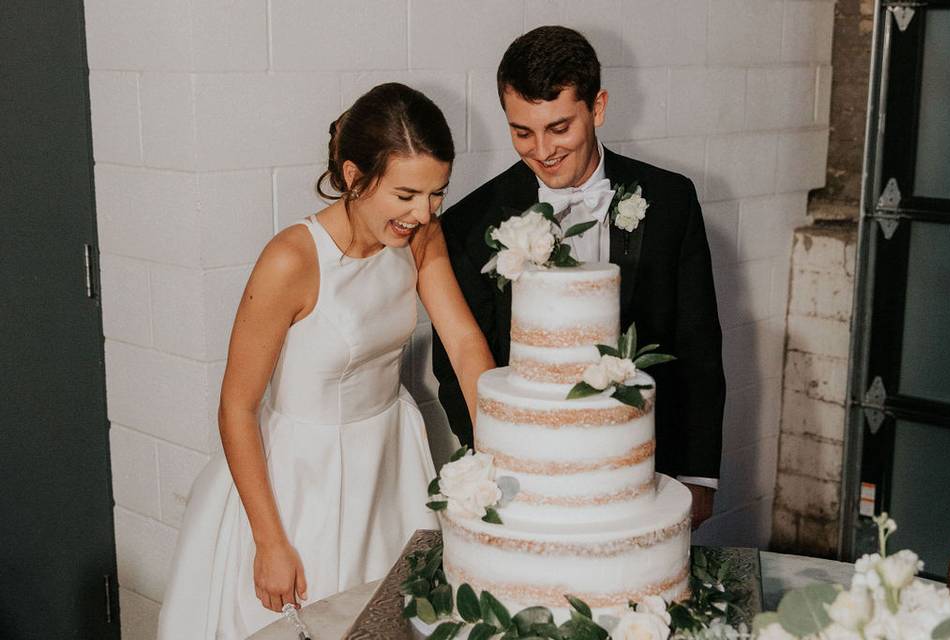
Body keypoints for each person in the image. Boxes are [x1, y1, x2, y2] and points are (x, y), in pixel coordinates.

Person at [157, 83, 495, 639]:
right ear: (355, 176)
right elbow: (236, 408)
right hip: (299, 480)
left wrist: (495, 443)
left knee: (397, 621)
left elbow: (462, 342)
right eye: (407, 194)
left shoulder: (419, 236)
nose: (424, 212)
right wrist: (269, 542)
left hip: (390, 462)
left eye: (437, 193)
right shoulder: (291, 259)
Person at [432, 26, 725, 529]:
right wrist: (500, 461)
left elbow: (697, 344)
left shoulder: (672, 200)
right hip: (526, 477)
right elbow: (455, 369)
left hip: (644, 469)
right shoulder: (468, 224)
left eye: (559, 127)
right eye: (522, 131)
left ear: (599, 107)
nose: (542, 150)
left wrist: (698, 476)